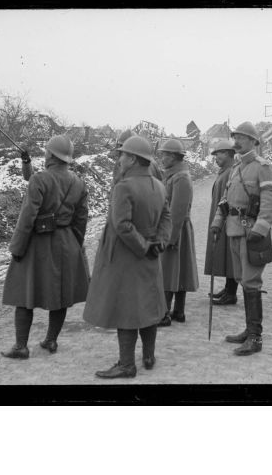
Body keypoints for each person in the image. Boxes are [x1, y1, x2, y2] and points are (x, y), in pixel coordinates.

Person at [83, 136, 171, 379]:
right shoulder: (159, 186)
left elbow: (121, 225)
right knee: (148, 307)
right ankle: (149, 356)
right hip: (150, 254)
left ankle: (126, 364)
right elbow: (166, 218)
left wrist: (142, 247)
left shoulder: (124, 186)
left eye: (122, 154)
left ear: (133, 159)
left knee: (127, 309)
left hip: (127, 256)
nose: (119, 159)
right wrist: (158, 243)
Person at [1, 135, 90, 358]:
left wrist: (17, 247)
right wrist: (75, 245)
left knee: (25, 293)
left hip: (38, 244)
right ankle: (51, 341)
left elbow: (27, 217)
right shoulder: (78, 183)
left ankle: (21, 346)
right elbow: (81, 219)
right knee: (61, 294)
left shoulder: (40, 179)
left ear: (50, 154)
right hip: (67, 242)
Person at [210, 122, 272, 356]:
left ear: (253, 141)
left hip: (252, 234)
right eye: (235, 137)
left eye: (241, 137)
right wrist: (218, 222)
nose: (236, 141)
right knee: (241, 279)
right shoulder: (237, 168)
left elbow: (271, 203)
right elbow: (225, 200)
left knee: (251, 282)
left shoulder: (263, 168)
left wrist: (260, 228)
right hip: (234, 231)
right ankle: (249, 330)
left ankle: (255, 337)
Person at [157, 138, 199, 326]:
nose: (162, 158)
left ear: (174, 156)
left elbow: (177, 212)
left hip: (176, 229)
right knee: (179, 270)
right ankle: (178, 311)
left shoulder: (181, 177)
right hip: (176, 229)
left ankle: (164, 313)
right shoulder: (174, 175)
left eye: (165, 154)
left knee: (168, 271)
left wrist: (170, 237)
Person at [204, 140, 239, 305]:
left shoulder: (232, 172)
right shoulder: (225, 171)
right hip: (221, 219)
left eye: (218, 153)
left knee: (230, 256)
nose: (215, 157)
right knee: (225, 255)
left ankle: (231, 292)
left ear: (228, 153)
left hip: (227, 220)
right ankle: (228, 288)